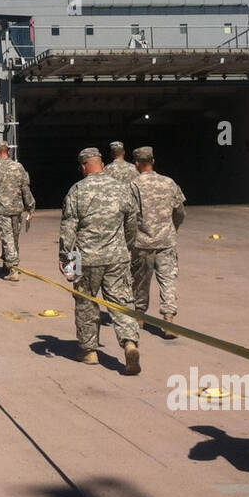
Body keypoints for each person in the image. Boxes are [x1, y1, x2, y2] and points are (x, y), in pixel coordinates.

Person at [58, 147, 142, 373]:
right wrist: (128, 246)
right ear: (102, 165)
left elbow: (69, 227)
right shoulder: (122, 189)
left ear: (84, 167)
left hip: (87, 259)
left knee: (86, 303)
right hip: (117, 257)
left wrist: (65, 256)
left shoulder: (77, 190)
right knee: (121, 302)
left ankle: (89, 351)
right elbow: (131, 222)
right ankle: (129, 343)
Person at [129, 146, 186, 339]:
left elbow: (128, 216)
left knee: (140, 281)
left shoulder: (133, 185)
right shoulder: (169, 182)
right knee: (167, 280)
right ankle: (168, 319)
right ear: (153, 160)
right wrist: (172, 229)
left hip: (142, 242)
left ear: (137, 163)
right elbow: (180, 211)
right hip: (166, 241)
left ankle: (139, 316)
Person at [0, 140, 34, 282]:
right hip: (17, 209)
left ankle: (13, 268)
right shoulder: (18, 167)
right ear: (8, 151)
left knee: (7, 238)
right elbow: (25, 188)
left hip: (1, 209)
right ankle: (9, 263)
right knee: (14, 237)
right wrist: (30, 206)